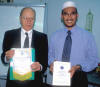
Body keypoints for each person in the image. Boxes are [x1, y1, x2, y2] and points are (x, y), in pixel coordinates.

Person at [48, 1, 99, 87]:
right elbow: (50, 55)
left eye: (72, 13)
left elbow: (94, 60)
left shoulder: (88, 36)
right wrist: (52, 63)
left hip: (79, 78)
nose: (69, 17)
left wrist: (78, 66)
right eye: (66, 14)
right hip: (59, 78)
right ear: (62, 16)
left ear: (77, 15)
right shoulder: (54, 36)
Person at [1, 7, 48, 87]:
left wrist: (40, 67)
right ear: (20, 19)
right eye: (25, 18)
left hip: (35, 83)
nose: (29, 21)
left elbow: (44, 62)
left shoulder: (42, 37)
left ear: (35, 19)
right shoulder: (9, 35)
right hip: (14, 82)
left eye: (32, 18)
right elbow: (3, 56)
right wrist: (7, 57)